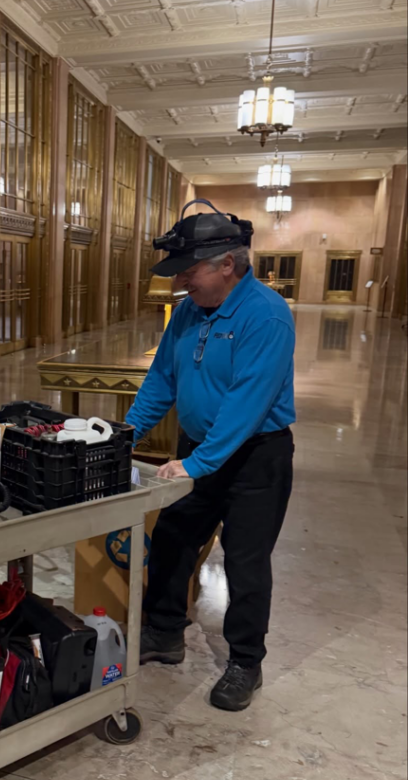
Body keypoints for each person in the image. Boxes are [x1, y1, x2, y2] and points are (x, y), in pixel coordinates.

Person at [126, 200, 295, 712]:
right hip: (199, 450)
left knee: (245, 561)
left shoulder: (266, 315)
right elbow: (162, 381)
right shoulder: (185, 313)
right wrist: (119, 435)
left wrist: (198, 466)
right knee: (173, 537)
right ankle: (163, 632)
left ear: (228, 264)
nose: (180, 282)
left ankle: (246, 662)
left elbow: (248, 403)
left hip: (254, 458)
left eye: (188, 271)